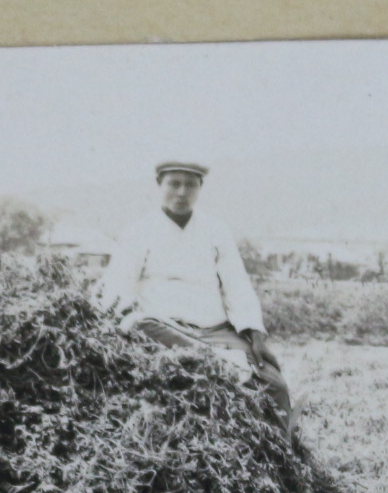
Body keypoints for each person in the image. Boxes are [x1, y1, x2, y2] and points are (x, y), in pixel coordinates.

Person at [94, 158, 291, 413]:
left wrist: (255, 335)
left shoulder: (216, 231)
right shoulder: (138, 231)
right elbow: (119, 284)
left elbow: (237, 285)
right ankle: (221, 363)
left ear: (200, 188)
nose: (181, 192)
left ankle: (281, 449)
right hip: (165, 329)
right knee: (137, 323)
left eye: (190, 185)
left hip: (215, 331)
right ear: (159, 185)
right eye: (174, 184)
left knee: (276, 386)